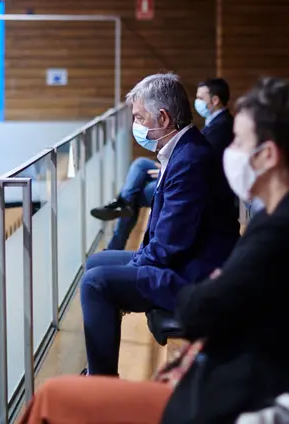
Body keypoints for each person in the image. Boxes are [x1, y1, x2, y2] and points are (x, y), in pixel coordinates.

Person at [19, 78, 289, 423]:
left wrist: (213, 285)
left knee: (50, 397)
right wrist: (217, 285)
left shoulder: (283, 229)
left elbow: (201, 309)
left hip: (214, 399)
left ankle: (100, 381)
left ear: (268, 155)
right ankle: (100, 380)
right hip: (212, 379)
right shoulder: (286, 215)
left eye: (239, 142)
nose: (229, 151)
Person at [81, 73, 239, 376]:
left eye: (139, 117)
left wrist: (136, 266)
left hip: (194, 276)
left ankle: (100, 384)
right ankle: (97, 370)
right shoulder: (183, 148)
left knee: (95, 283)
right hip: (185, 260)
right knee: (97, 264)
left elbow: (169, 245)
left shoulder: (191, 160)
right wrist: (137, 263)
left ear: (163, 117)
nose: (136, 125)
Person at [91, 77, 235, 250]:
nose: (135, 125)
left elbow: (208, 161)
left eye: (139, 118)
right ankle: (124, 203)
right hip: (180, 169)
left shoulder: (221, 128)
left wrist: (166, 168)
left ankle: (122, 212)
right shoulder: (210, 125)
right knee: (140, 164)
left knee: (137, 194)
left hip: (199, 181)